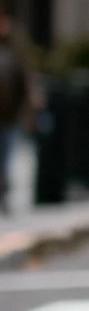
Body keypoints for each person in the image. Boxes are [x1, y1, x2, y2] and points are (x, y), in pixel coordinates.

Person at [0, 13, 33, 214]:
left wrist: (26, 114)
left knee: (5, 161)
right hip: (9, 118)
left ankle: (4, 196)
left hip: (10, 119)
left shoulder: (14, 57)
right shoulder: (13, 57)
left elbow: (23, 88)